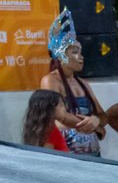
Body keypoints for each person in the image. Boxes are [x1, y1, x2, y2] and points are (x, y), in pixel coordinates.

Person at [39, 9, 107, 156]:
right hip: (66, 151)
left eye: (80, 52)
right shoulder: (50, 80)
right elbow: (59, 114)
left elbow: (102, 115)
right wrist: (94, 126)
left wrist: (96, 120)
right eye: (75, 52)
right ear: (61, 55)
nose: (81, 57)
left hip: (92, 152)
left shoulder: (83, 83)